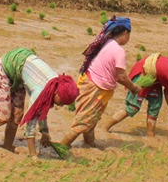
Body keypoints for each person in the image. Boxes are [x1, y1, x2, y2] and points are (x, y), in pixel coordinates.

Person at [0, 48, 79, 157]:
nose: (60, 105)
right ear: (57, 92)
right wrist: (33, 155)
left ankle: (7, 146)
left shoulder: (55, 84)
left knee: (17, 116)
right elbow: (31, 124)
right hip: (4, 69)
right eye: (61, 101)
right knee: (2, 117)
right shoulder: (41, 91)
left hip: (19, 74)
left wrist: (45, 132)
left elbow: (42, 110)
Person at [60, 16, 140, 149]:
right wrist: (134, 87)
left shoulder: (107, 42)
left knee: (90, 121)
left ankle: (89, 145)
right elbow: (121, 77)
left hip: (88, 82)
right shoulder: (119, 51)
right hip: (96, 89)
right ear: (125, 33)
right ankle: (61, 148)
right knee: (81, 124)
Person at [104, 54, 168, 143]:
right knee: (133, 108)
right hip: (144, 72)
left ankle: (150, 138)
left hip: (155, 79)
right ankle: (104, 128)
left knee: (155, 107)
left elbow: (167, 91)